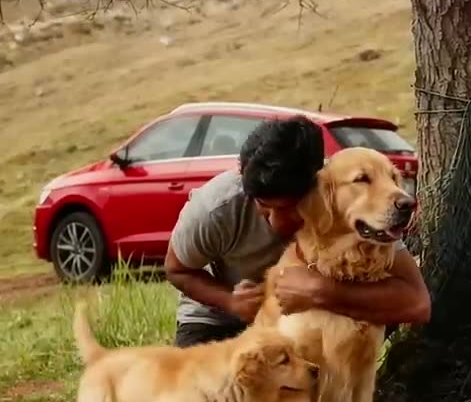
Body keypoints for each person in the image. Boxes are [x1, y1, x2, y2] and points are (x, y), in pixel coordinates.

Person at [165, 116, 431, 347]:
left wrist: (324, 291)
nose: (274, 221)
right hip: (218, 319)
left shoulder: (339, 198)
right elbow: (177, 270)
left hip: (313, 313)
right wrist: (230, 301)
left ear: (315, 189)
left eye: (289, 208)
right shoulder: (215, 207)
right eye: (263, 205)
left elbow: (417, 303)